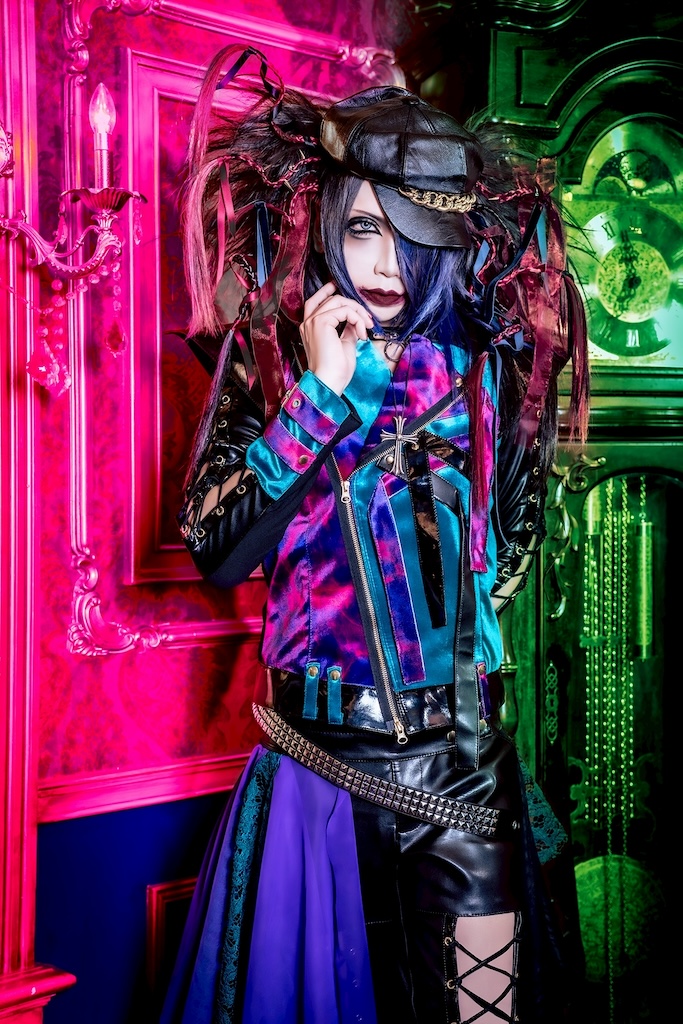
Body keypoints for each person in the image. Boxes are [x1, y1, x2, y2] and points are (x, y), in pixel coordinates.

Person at [161, 44, 589, 1024]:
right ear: (326, 225)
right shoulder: (271, 363)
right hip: (316, 770)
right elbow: (218, 550)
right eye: (363, 228)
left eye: (410, 233)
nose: (386, 261)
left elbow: (509, 549)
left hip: (461, 778)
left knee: (482, 1016)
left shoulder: (490, 373)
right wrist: (318, 397)